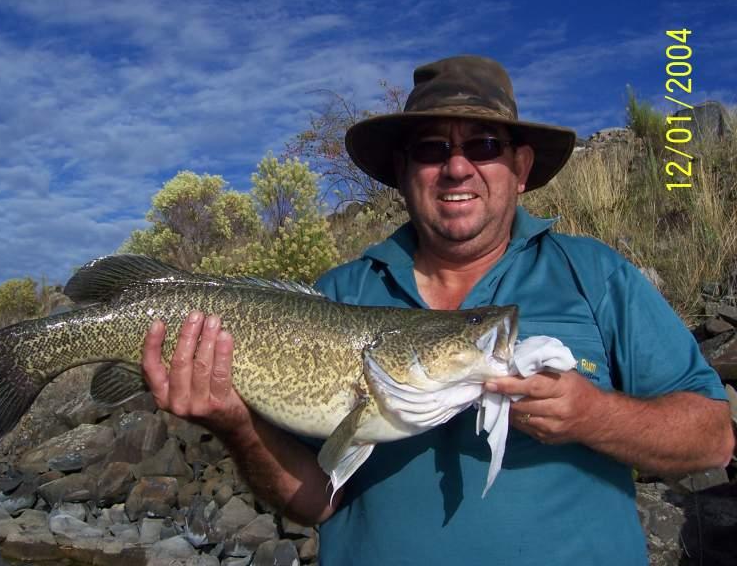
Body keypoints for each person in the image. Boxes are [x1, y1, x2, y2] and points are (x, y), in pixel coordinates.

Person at [141, 55, 734, 565]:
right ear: (402, 172)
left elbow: (712, 439)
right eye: (431, 149)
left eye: (483, 145)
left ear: (521, 169)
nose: (456, 167)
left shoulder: (596, 274)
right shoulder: (340, 293)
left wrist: (591, 416)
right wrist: (235, 425)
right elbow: (314, 500)